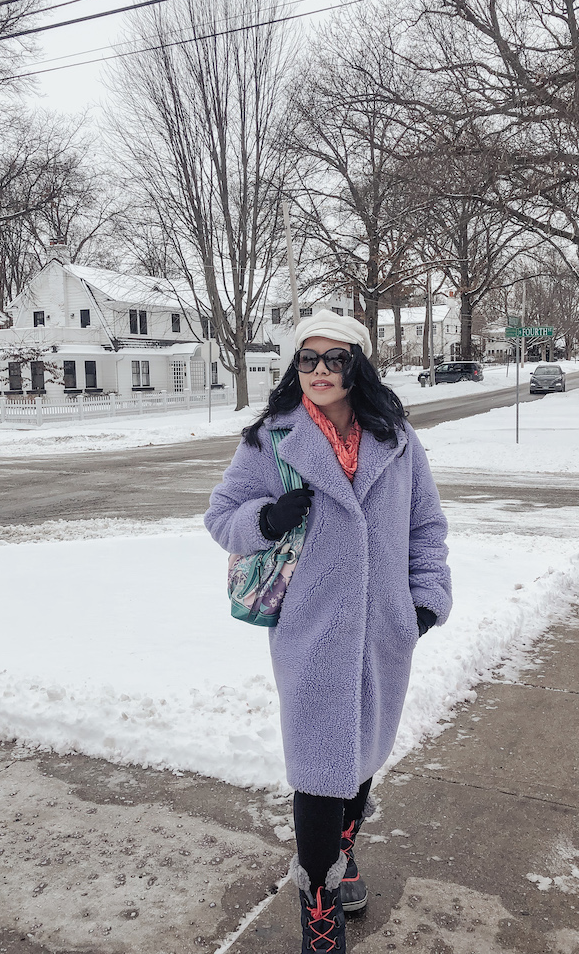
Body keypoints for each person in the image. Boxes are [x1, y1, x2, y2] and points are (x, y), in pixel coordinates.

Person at [205, 310, 452, 953]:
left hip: (382, 636)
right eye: (307, 358)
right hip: (310, 636)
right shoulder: (271, 440)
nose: (319, 370)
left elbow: (426, 529)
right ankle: (318, 894)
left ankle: (341, 861)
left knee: (363, 760)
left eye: (334, 359)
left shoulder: (396, 439)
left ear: (357, 366)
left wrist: (423, 603)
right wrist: (267, 517)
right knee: (318, 773)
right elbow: (221, 518)